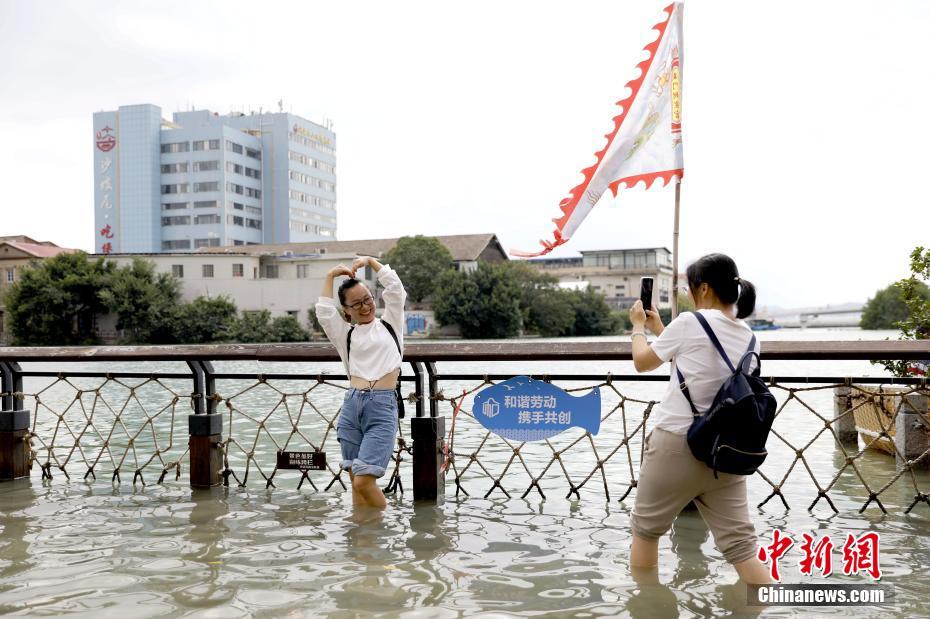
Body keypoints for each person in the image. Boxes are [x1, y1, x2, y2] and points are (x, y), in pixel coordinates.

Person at [628, 253, 770, 584]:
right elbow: (699, 359)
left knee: (647, 532)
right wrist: (659, 329)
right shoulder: (750, 336)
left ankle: (649, 606)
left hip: (676, 445)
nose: (690, 295)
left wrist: (637, 328)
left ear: (703, 288)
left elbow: (642, 362)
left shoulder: (691, 323)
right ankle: (768, 604)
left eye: (691, 288)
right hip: (725, 451)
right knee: (742, 549)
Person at [316, 255, 406, 509]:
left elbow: (395, 289)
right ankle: (361, 541)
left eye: (368, 300)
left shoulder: (390, 324)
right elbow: (324, 312)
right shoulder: (345, 334)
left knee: (363, 482)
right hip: (352, 406)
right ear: (346, 310)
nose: (365, 307)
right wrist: (329, 277)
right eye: (357, 304)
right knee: (355, 477)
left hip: (382, 405)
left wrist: (371, 262)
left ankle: (382, 530)